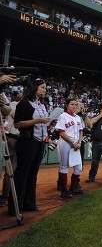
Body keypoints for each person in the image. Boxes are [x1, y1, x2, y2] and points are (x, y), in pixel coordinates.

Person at [8, 78, 50, 216]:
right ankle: (15, 206)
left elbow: (42, 123)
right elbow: (17, 124)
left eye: (45, 87)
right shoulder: (24, 103)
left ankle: (29, 204)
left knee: (32, 174)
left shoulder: (42, 105)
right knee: (22, 173)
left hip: (39, 142)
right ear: (35, 88)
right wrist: (37, 120)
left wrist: (48, 123)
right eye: (42, 87)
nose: (45, 90)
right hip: (28, 141)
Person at [55, 97, 84, 198]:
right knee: (64, 167)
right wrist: (73, 142)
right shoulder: (63, 116)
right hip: (65, 143)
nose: (74, 106)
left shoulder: (77, 117)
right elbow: (61, 132)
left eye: (76, 104)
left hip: (76, 144)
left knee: (79, 168)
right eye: (72, 104)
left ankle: (73, 188)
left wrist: (79, 142)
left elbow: (81, 131)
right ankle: (64, 190)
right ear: (67, 105)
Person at [0, 97, 17, 207]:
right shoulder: (12, 104)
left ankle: (11, 195)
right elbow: (12, 114)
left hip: (26, 139)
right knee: (11, 169)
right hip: (13, 138)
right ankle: (5, 196)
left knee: (17, 170)